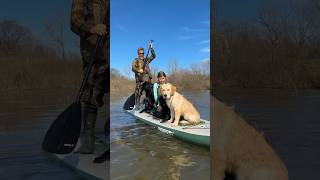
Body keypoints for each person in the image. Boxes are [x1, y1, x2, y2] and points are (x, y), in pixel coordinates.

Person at [71, 0, 108, 154]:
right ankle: (88, 137)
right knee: (92, 96)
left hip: (110, 55)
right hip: (93, 54)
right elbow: (74, 22)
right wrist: (92, 28)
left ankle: (109, 130)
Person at [132, 42, 156, 110]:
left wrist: (151, 48)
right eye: (140, 53)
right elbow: (133, 68)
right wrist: (138, 70)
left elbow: (154, 56)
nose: (141, 54)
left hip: (148, 80)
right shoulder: (135, 60)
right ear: (138, 53)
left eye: (142, 53)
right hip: (140, 80)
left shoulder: (146, 60)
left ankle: (149, 106)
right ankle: (137, 106)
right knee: (138, 93)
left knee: (149, 94)